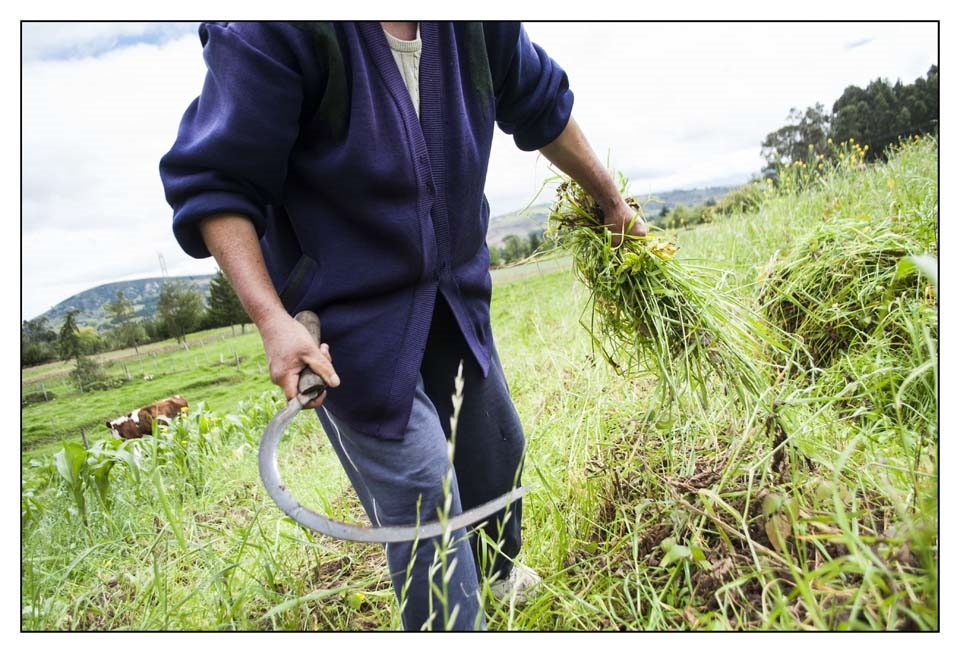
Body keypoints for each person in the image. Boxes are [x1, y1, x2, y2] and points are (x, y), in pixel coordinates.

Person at [160, 21, 646, 631]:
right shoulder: (275, 29)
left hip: (454, 292)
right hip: (345, 320)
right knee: (422, 488)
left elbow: (540, 103)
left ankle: (496, 575)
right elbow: (219, 181)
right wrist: (271, 319)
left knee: (497, 452)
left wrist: (612, 201)